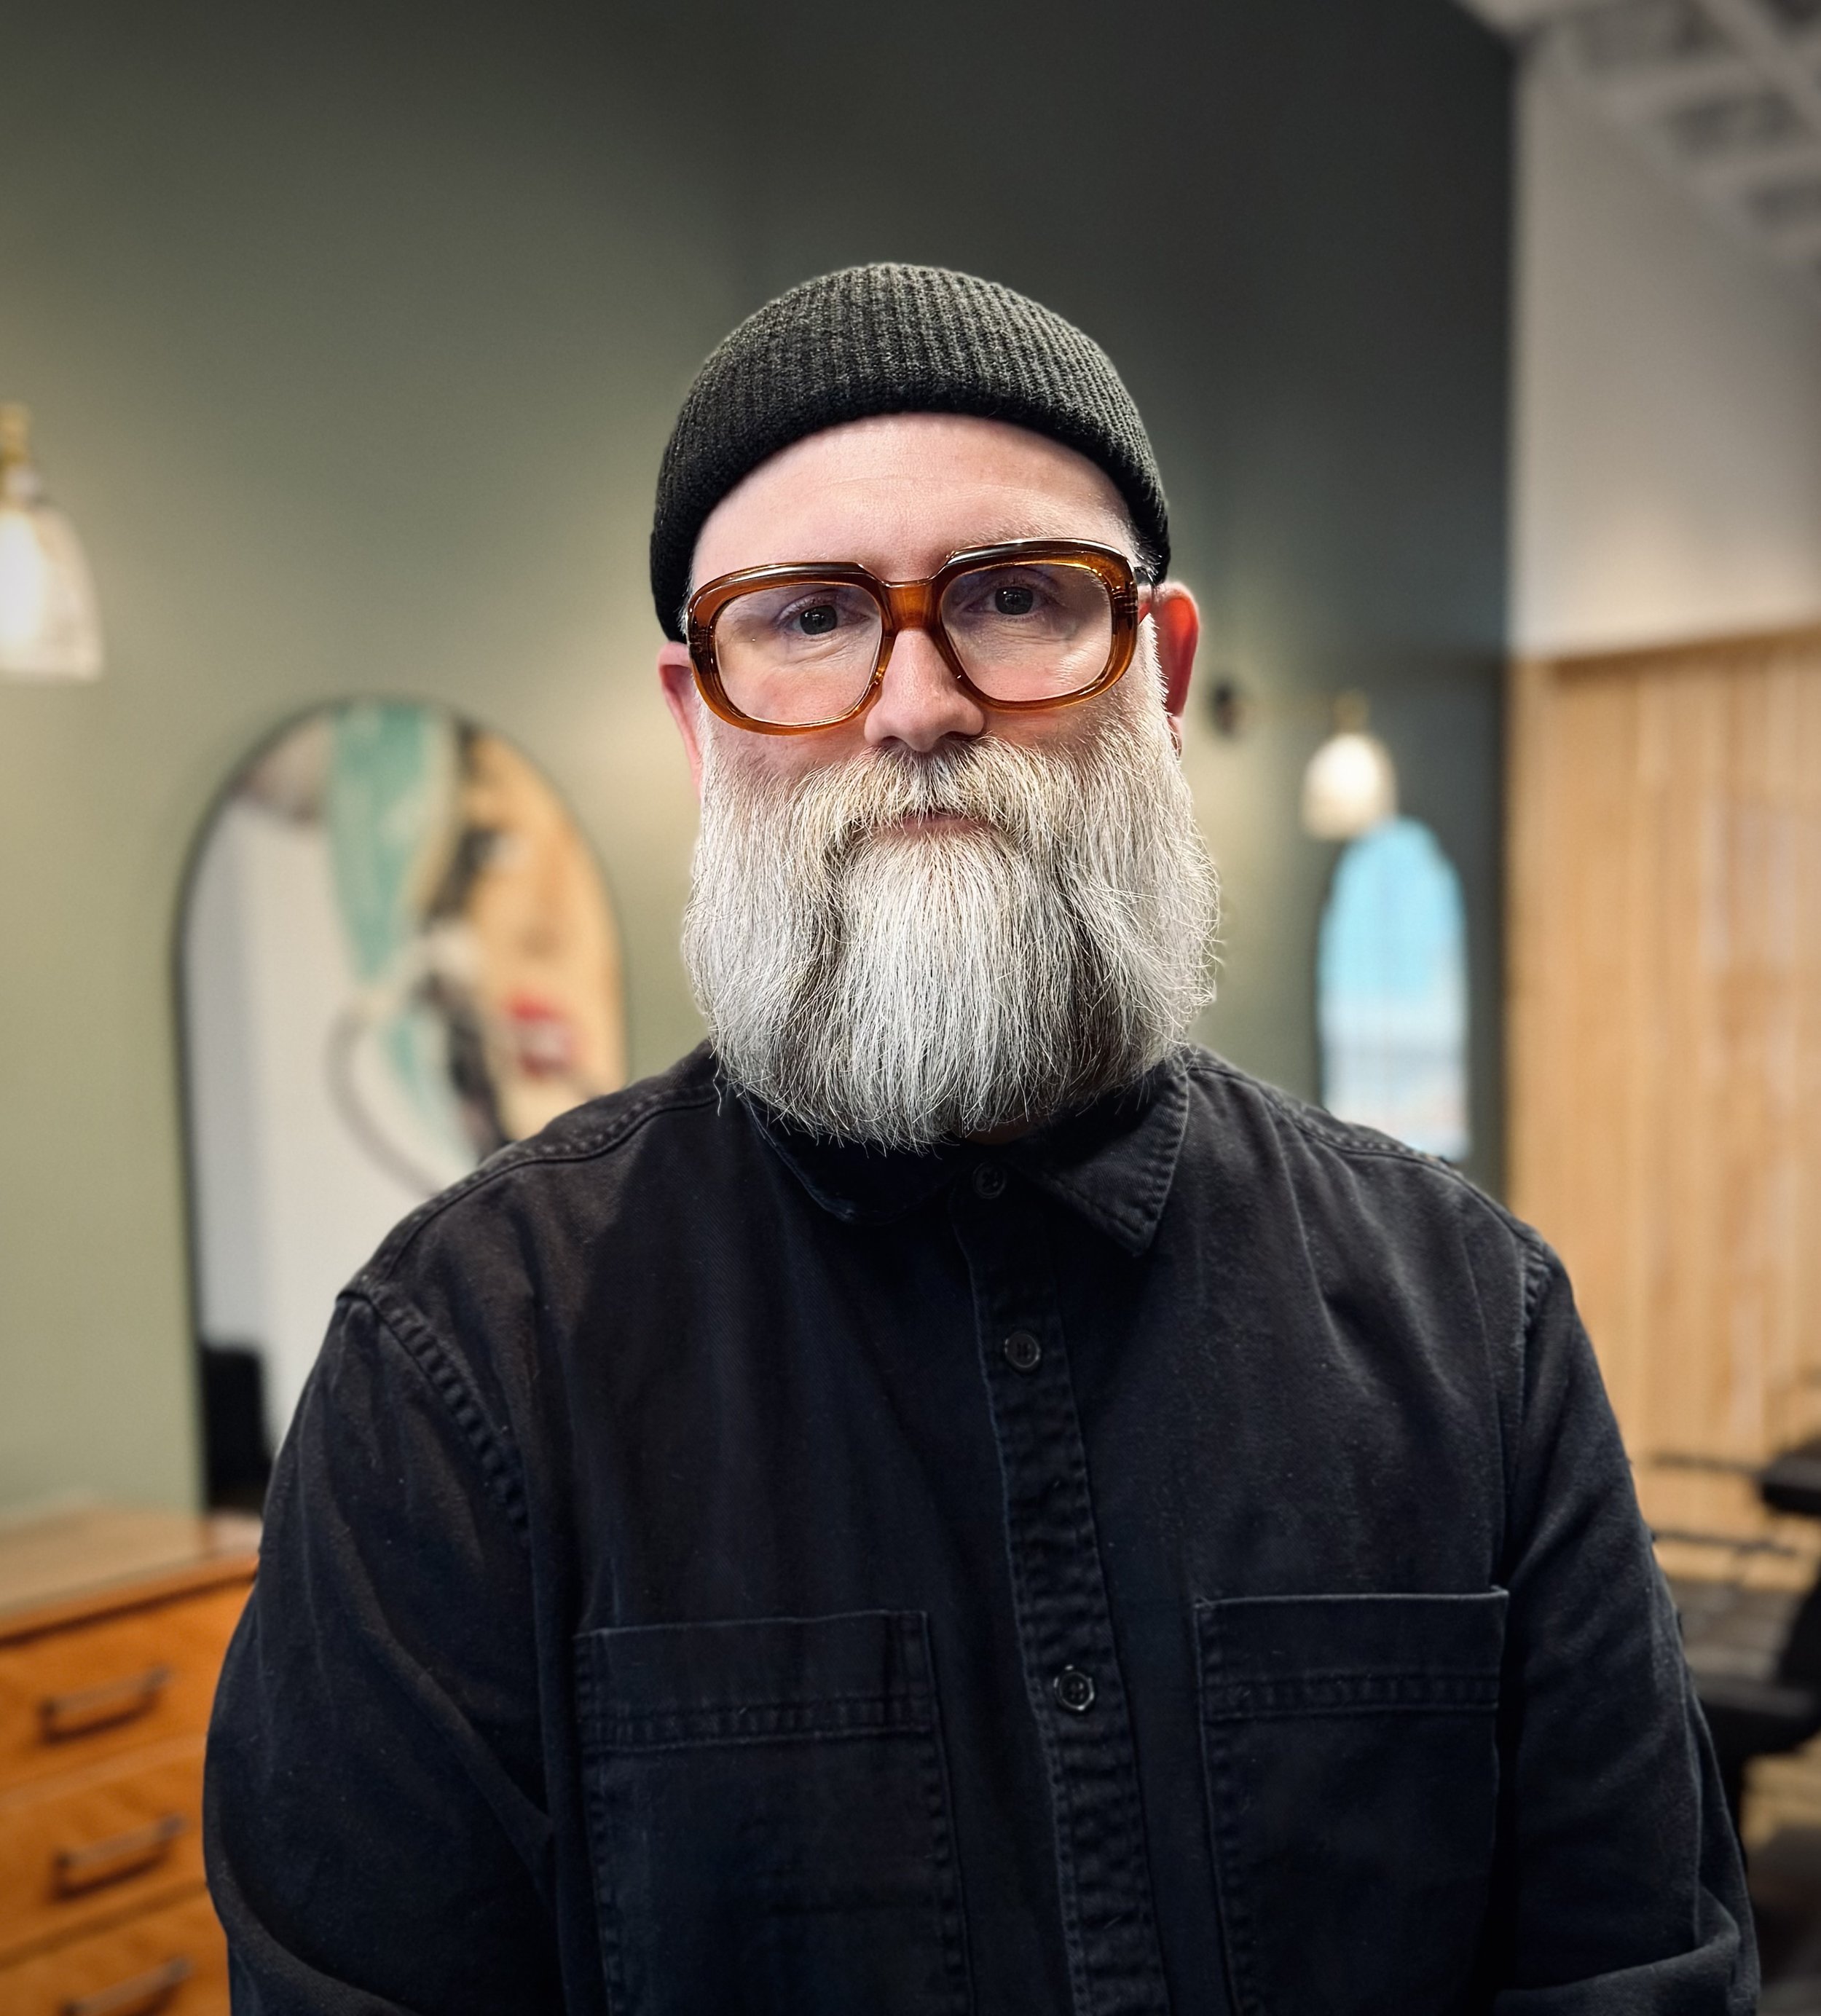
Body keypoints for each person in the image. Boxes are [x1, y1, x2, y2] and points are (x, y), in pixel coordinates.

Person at [204, 263, 1756, 2015]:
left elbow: (1631, 1975)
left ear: (1157, 668)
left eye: (1017, 598)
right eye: (803, 618)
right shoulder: (465, 1367)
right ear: (696, 715)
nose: (915, 700)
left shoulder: (1476, 1323)